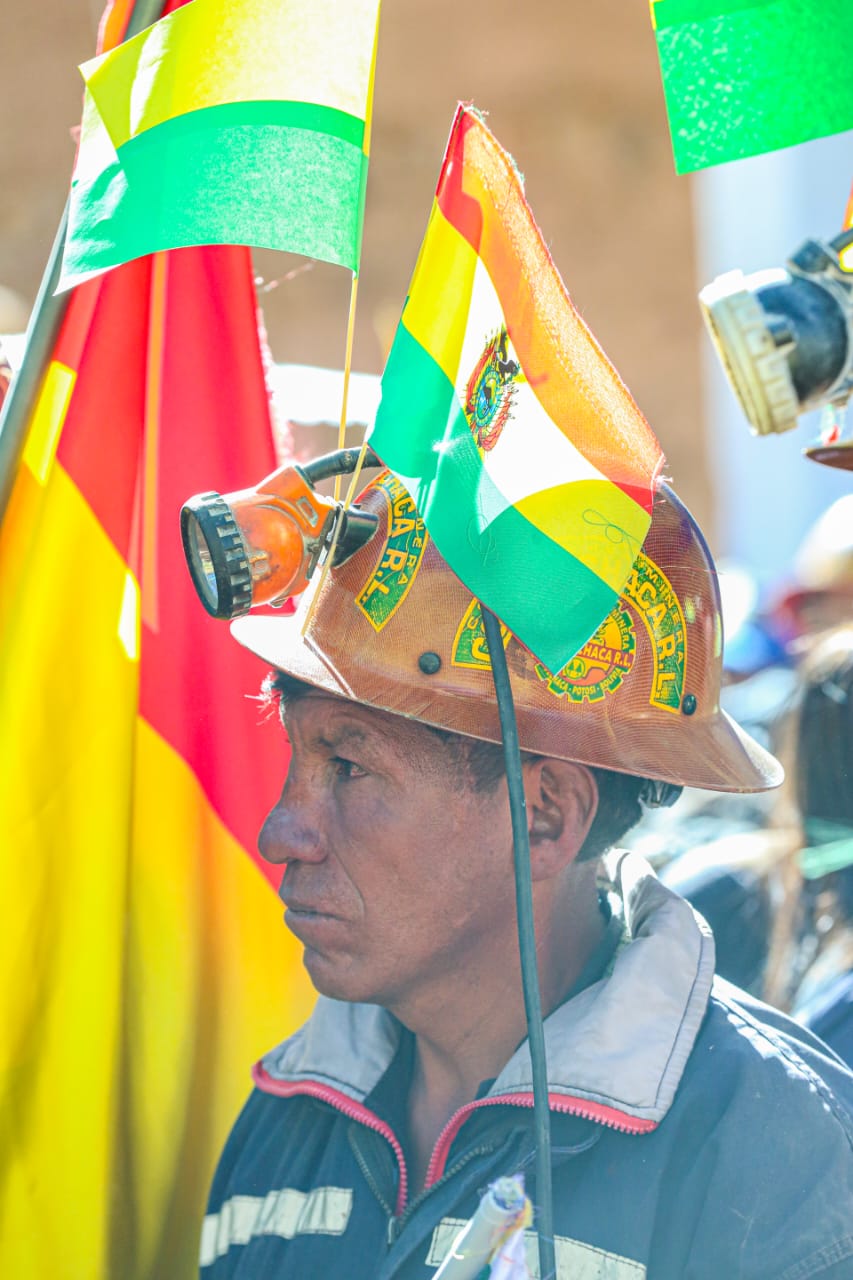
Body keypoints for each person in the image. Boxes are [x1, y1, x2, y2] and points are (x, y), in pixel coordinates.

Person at [198, 471, 853, 1280]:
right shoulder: (288, 1113)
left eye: (349, 767)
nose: (279, 835)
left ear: (542, 814)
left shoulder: (775, 1159)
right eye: (296, 757)